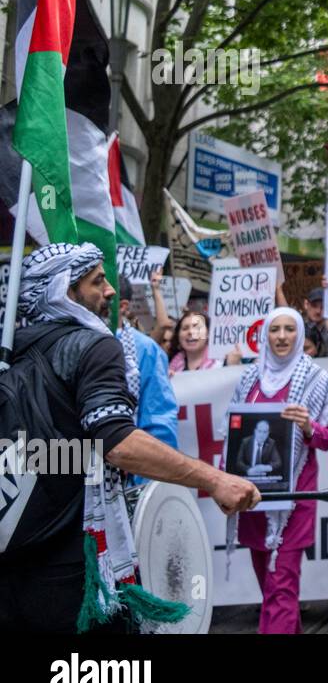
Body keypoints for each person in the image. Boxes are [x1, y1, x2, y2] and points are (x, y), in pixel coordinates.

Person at [0, 244, 258, 633]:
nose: (109, 292)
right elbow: (117, 442)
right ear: (64, 292)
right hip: (79, 573)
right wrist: (216, 479)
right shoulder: (95, 346)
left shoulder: (11, 352)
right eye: (97, 281)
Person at [227, 308, 328, 634]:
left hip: (294, 499)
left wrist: (309, 427)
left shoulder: (316, 379)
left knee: (281, 584)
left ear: (299, 335)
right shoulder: (250, 378)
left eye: (289, 330)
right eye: (275, 330)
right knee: (271, 586)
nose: (281, 336)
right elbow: (234, 433)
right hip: (254, 499)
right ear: (265, 334)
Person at [115, 278, 180, 473]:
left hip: (130, 479)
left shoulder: (144, 350)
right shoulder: (71, 342)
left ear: (122, 305)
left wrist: (148, 487)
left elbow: (158, 423)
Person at [167, 310, 236, 374]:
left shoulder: (222, 363)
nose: (191, 332)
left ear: (208, 333)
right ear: (178, 336)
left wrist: (231, 368)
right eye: (185, 328)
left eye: (197, 327)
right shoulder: (169, 367)